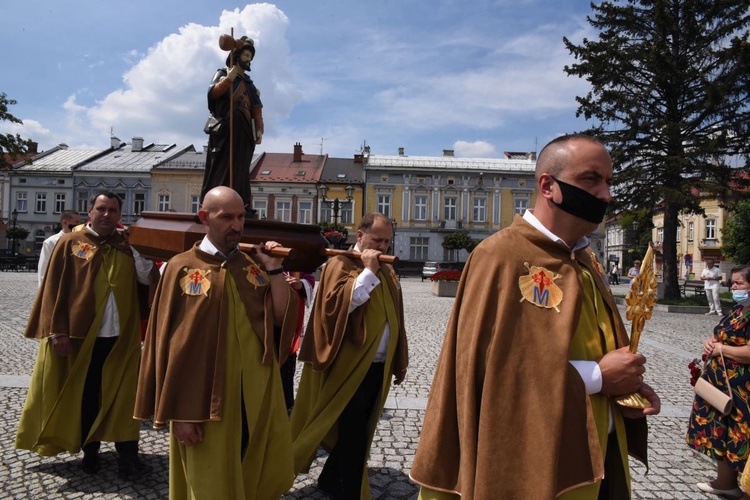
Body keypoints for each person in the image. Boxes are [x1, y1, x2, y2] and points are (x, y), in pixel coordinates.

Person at [410, 134, 660, 499]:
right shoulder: (500, 257)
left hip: (600, 453)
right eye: (591, 180)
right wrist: (598, 378)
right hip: (533, 457)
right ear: (549, 186)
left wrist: (627, 386)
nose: (606, 195)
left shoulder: (586, 262)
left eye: (609, 182)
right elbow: (490, 374)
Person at [134, 186, 299, 499]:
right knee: (209, 479)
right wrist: (180, 413)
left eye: (240, 217)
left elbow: (280, 316)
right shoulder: (180, 268)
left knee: (252, 468)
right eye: (227, 217)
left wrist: (275, 269)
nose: (236, 225)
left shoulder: (251, 266)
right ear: (204, 218)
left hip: (253, 394)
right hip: (204, 399)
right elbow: (167, 345)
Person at [16, 191, 156, 479]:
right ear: (90, 211)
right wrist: (58, 333)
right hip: (82, 337)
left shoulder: (125, 245)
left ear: (120, 214)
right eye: (101, 209)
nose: (107, 214)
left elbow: (148, 278)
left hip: (122, 338)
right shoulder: (70, 243)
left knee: (124, 397)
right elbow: (54, 289)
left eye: (113, 210)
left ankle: (127, 458)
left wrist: (138, 248)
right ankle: (89, 453)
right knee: (88, 395)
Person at [290, 212, 408, 499]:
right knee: (354, 436)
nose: (381, 247)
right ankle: (351, 493)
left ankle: (330, 479)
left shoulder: (387, 269)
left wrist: (399, 357)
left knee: (360, 431)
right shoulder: (340, 264)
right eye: (376, 239)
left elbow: (397, 315)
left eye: (386, 241)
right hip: (348, 367)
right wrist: (367, 272)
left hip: (378, 367)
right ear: (360, 236)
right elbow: (337, 309)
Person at [688, 264, 750, 498]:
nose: (733, 287)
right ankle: (725, 482)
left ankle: (746, 486)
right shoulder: (737, 310)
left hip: (742, 389)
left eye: (739, 283)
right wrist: (710, 342)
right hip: (721, 383)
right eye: (732, 283)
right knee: (722, 432)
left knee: (739, 434)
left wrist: (721, 348)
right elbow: (719, 333)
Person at [201, 36, 263, 208]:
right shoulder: (222, 73)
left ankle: (240, 201)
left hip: (243, 130)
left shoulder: (249, 84)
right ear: (236, 56)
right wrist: (228, 79)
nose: (249, 59)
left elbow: (256, 108)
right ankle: (217, 200)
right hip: (226, 129)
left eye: (250, 56)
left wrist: (259, 128)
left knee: (241, 167)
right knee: (222, 165)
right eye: (246, 55)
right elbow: (212, 93)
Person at [281, 271, 316, 413]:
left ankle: (287, 401)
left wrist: (300, 284)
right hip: (269, 318)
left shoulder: (299, 258)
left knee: (288, 360)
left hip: (292, 320)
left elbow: (309, 279)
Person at [38, 209, 82, 285]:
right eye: (76, 222)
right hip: (58, 286)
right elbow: (43, 271)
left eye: (79, 222)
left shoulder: (80, 241)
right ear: (65, 222)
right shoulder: (51, 242)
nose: (80, 225)